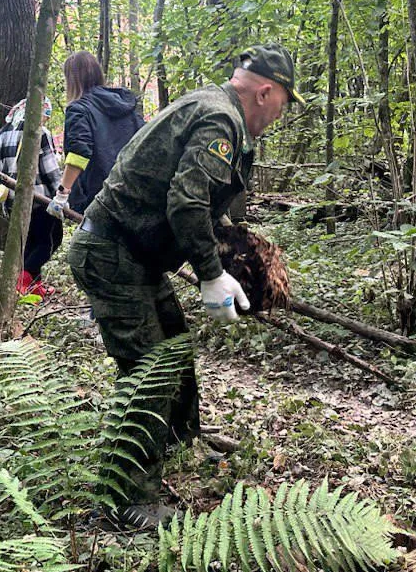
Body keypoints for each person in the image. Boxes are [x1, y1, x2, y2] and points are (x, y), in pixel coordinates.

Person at [66, 43, 302, 528]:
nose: (281, 114)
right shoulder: (220, 121)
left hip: (133, 254)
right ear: (265, 91)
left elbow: (190, 202)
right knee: (148, 371)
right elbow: (187, 202)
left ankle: (180, 438)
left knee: (173, 345)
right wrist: (211, 275)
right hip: (111, 253)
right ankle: (124, 500)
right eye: (284, 102)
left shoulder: (213, 106)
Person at [46, 51, 144, 220]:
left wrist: (62, 194)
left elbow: (79, 152)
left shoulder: (79, 109)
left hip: (100, 201)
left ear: (72, 79)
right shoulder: (126, 107)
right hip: (133, 195)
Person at [0, 97, 64, 297]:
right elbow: (50, 170)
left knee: (31, 241)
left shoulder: (1, 135)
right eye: (45, 116)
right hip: (40, 199)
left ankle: (33, 285)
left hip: (14, 200)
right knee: (50, 241)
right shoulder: (40, 132)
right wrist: (62, 194)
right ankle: (23, 279)